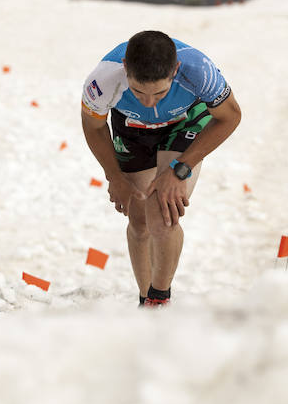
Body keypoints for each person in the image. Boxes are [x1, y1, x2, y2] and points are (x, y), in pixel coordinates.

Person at [81, 30, 241, 307]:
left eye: (160, 92)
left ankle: (159, 297)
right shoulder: (103, 78)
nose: (149, 101)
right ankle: (145, 300)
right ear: (126, 70)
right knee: (140, 217)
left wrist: (181, 168)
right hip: (131, 130)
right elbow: (93, 125)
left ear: (175, 70)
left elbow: (231, 116)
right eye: (138, 91)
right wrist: (114, 176)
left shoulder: (198, 70)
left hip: (183, 125)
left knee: (162, 211)